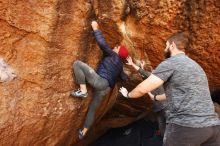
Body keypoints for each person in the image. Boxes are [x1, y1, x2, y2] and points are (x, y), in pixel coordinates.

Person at [119, 32, 220, 146]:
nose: (164, 49)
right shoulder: (197, 67)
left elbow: (142, 89)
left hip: (187, 127)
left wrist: (127, 95)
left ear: (172, 45)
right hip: (213, 128)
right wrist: (156, 97)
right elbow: (174, 93)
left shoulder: (171, 63)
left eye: (166, 46)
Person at [71, 21, 129, 140]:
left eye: (117, 47)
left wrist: (96, 28)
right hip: (106, 89)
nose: (115, 47)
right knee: (92, 109)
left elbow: (103, 44)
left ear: (118, 51)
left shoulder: (113, 55)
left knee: (77, 64)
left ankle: (83, 90)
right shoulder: (120, 67)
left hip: (100, 81)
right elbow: (125, 78)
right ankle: (83, 132)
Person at [126, 56, 167, 136]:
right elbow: (144, 76)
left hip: (159, 106)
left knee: (162, 122)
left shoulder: (152, 77)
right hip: (165, 105)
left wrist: (132, 64)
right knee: (167, 122)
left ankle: (164, 135)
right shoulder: (157, 78)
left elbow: (143, 73)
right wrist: (142, 67)